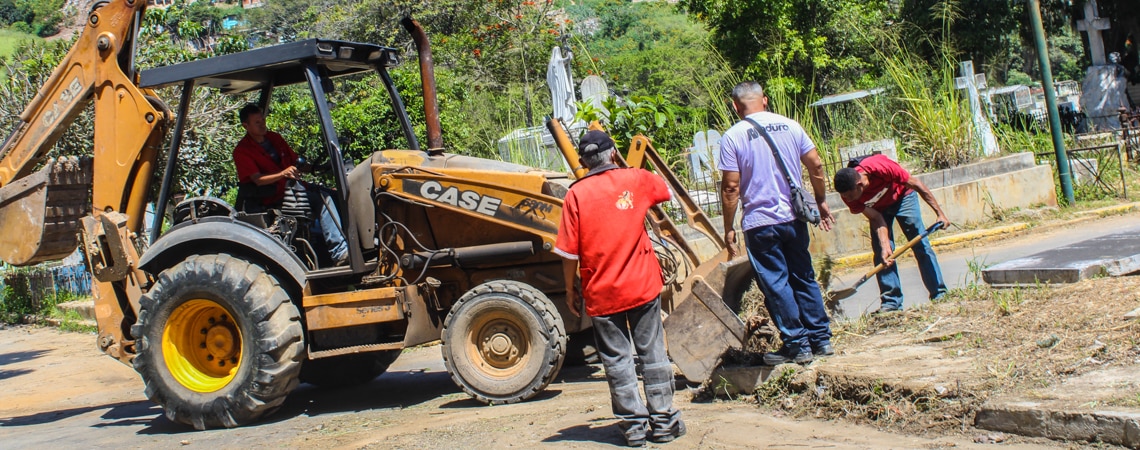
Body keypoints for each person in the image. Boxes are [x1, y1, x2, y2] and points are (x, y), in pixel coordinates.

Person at [554, 130, 684, 447]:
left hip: (602, 292)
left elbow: (569, 252)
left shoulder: (575, 195)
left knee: (617, 360)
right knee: (652, 352)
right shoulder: (636, 179)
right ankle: (664, 422)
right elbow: (667, 191)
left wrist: (571, 289)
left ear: (583, 162)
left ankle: (634, 428)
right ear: (612, 154)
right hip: (642, 285)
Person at [717, 81, 835, 366]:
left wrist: (729, 227)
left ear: (735, 106)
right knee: (803, 275)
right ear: (765, 100)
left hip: (760, 224)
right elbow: (816, 164)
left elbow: (731, 187)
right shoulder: (790, 125)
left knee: (776, 284)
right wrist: (820, 200)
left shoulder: (733, 137)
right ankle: (821, 340)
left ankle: (797, 345)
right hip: (794, 218)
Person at [232, 103, 348, 266]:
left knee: (339, 195)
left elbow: (296, 163)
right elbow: (257, 179)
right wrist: (282, 174)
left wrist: (319, 168)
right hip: (275, 197)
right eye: (257, 122)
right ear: (246, 126)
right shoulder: (242, 151)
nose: (263, 124)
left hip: (296, 188)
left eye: (263, 119)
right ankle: (340, 252)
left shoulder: (275, 138)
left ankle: (353, 244)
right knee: (322, 199)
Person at [832, 154, 950, 314]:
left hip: (903, 197)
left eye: (849, 195)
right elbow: (876, 217)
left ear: (859, 184)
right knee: (882, 254)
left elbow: (917, 184)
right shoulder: (848, 195)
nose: (846, 199)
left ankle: (939, 293)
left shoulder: (879, 167)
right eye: (844, 196)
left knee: (921, 245)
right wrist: (885, 244)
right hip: (879, 210)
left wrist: (939, 213)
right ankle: (891, 303)